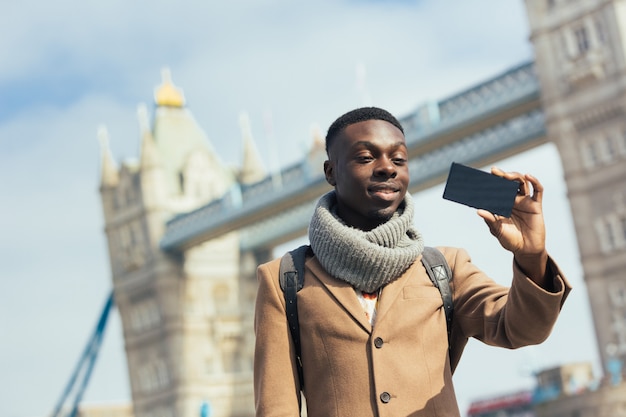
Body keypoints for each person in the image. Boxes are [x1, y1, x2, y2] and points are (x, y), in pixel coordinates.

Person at [253, 107, 571, 417]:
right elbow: (275, 407)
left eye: (399, 159)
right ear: (330, 172)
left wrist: (531, 257)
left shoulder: (445, 267)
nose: (387, 168)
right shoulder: (284, 280)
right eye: (366, 157)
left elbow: (521, 330)